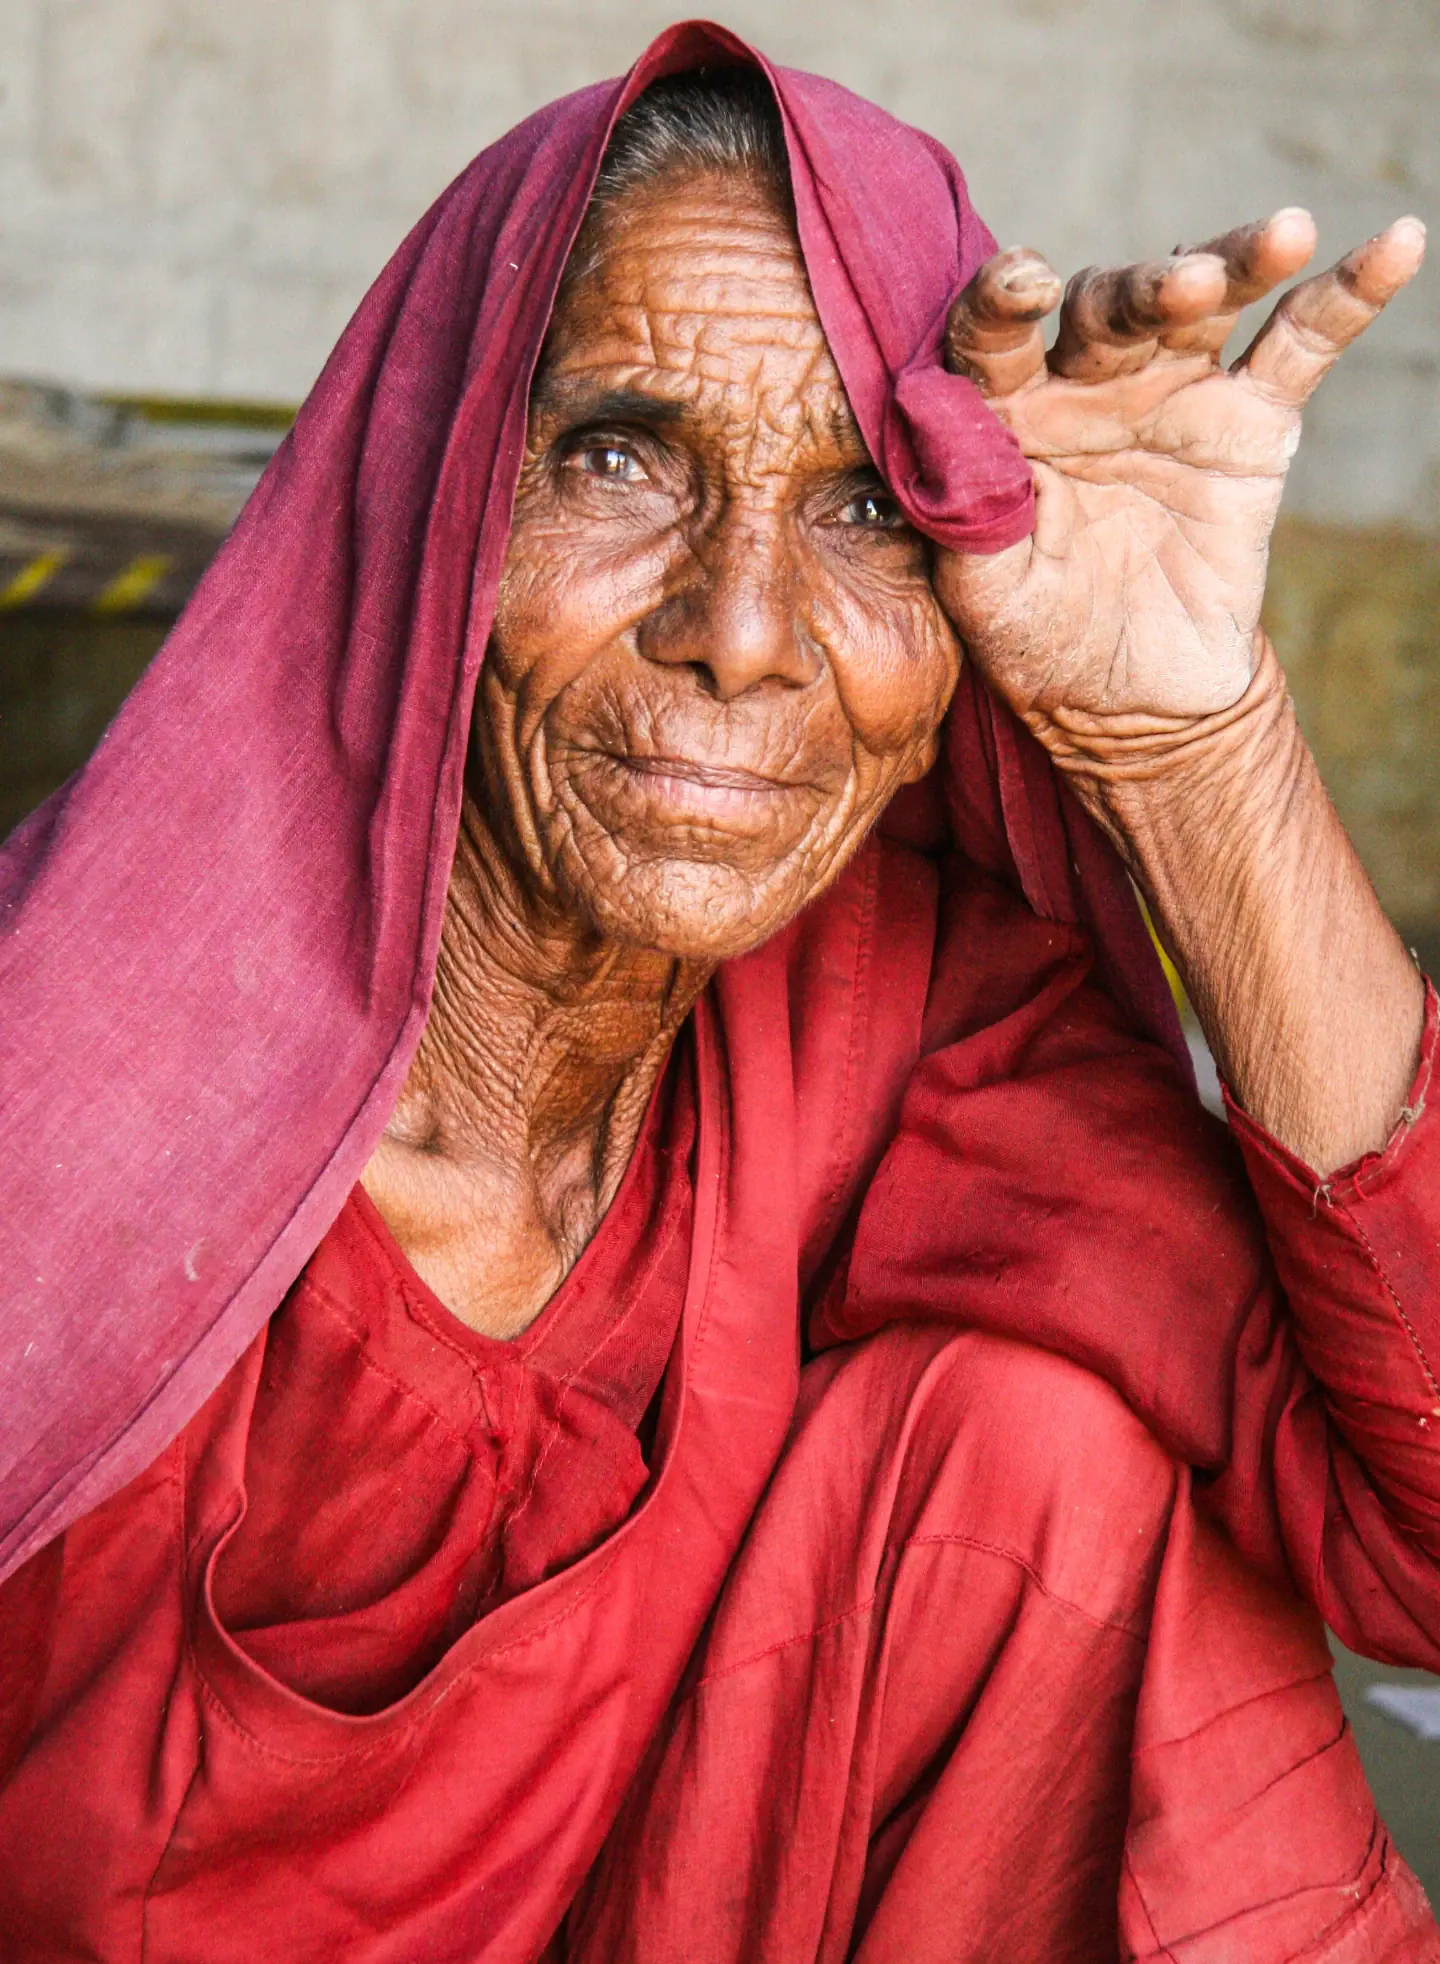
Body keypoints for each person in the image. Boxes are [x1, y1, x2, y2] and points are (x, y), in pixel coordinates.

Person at [0, 22, 1436, 1962]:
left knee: (1038, 1470)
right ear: (423, 514)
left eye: (862, 511)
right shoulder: (68, 1127)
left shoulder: (886, 1025)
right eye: (617, 456)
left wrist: (1193, 745)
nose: (744, 633)